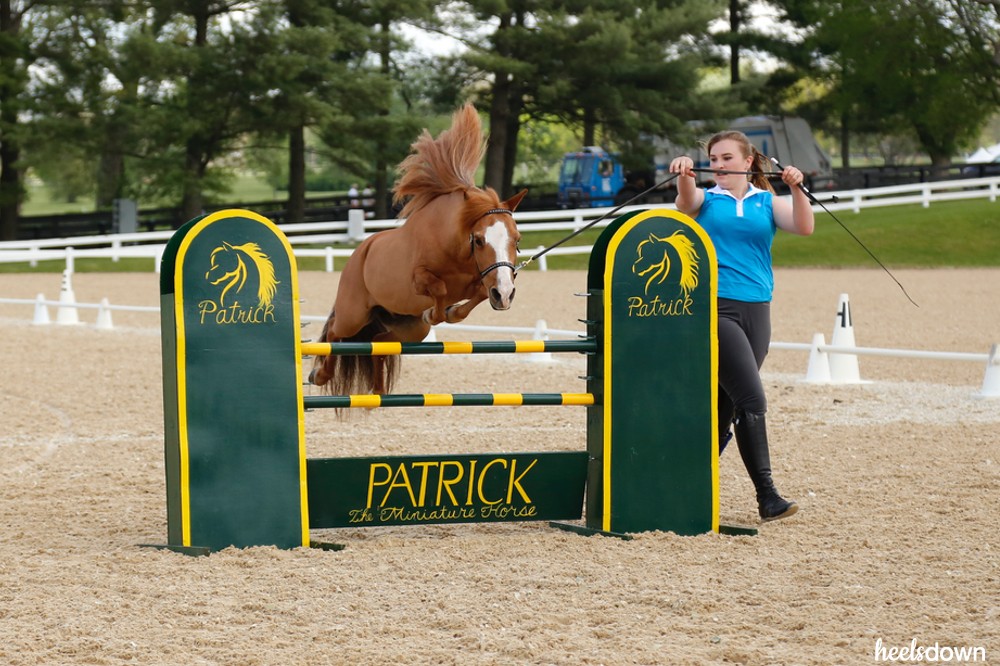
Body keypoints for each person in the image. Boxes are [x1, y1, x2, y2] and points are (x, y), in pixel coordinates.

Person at [669, 131, 815, 522]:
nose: (717, 166)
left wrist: (798, 189)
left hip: (758, 312)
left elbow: (804, 227)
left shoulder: (766, 202)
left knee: (724, 405)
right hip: (717, 312)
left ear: (748, 162)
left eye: (726, 158)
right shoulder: (706, 200)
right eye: (713, 159)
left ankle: (679, 484)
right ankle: (767, 495)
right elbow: (685, 201)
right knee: (752, 400)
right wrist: (684, 173)